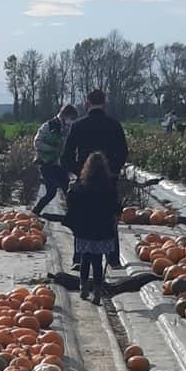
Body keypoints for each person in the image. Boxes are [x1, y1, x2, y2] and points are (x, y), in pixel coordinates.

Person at [61, 90, 127, 265]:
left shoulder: (78, 126)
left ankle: (79, 258)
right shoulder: (114, 125)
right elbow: (123, 153)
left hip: (84, 181)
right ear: (105, 103)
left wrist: (80, 172)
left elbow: (66, 156)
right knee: (109, 215)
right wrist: (111, 171)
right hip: (108, 180)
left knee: (81, 215)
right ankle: (113, 258)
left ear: (87, 103)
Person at [65, 151, 119, 304]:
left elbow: (72, 204)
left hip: (85, 228)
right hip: (102, 228)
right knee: (98, 260)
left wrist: (70, 191)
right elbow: (115, 207)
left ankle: (83, 286)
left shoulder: (82, 185)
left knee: (85, 258)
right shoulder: (109, 186)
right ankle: (97, 289)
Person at [32, 103, 77, 213]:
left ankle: (74, 215)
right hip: (47, 163)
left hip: (61, 164)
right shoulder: (48, 126)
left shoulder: (70, 128)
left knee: (67, 190)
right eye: (71, 118)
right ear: (65, 115)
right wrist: (52, 148)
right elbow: (37, 142)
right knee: (51, 192)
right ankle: (35, 212)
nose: (72, 121)